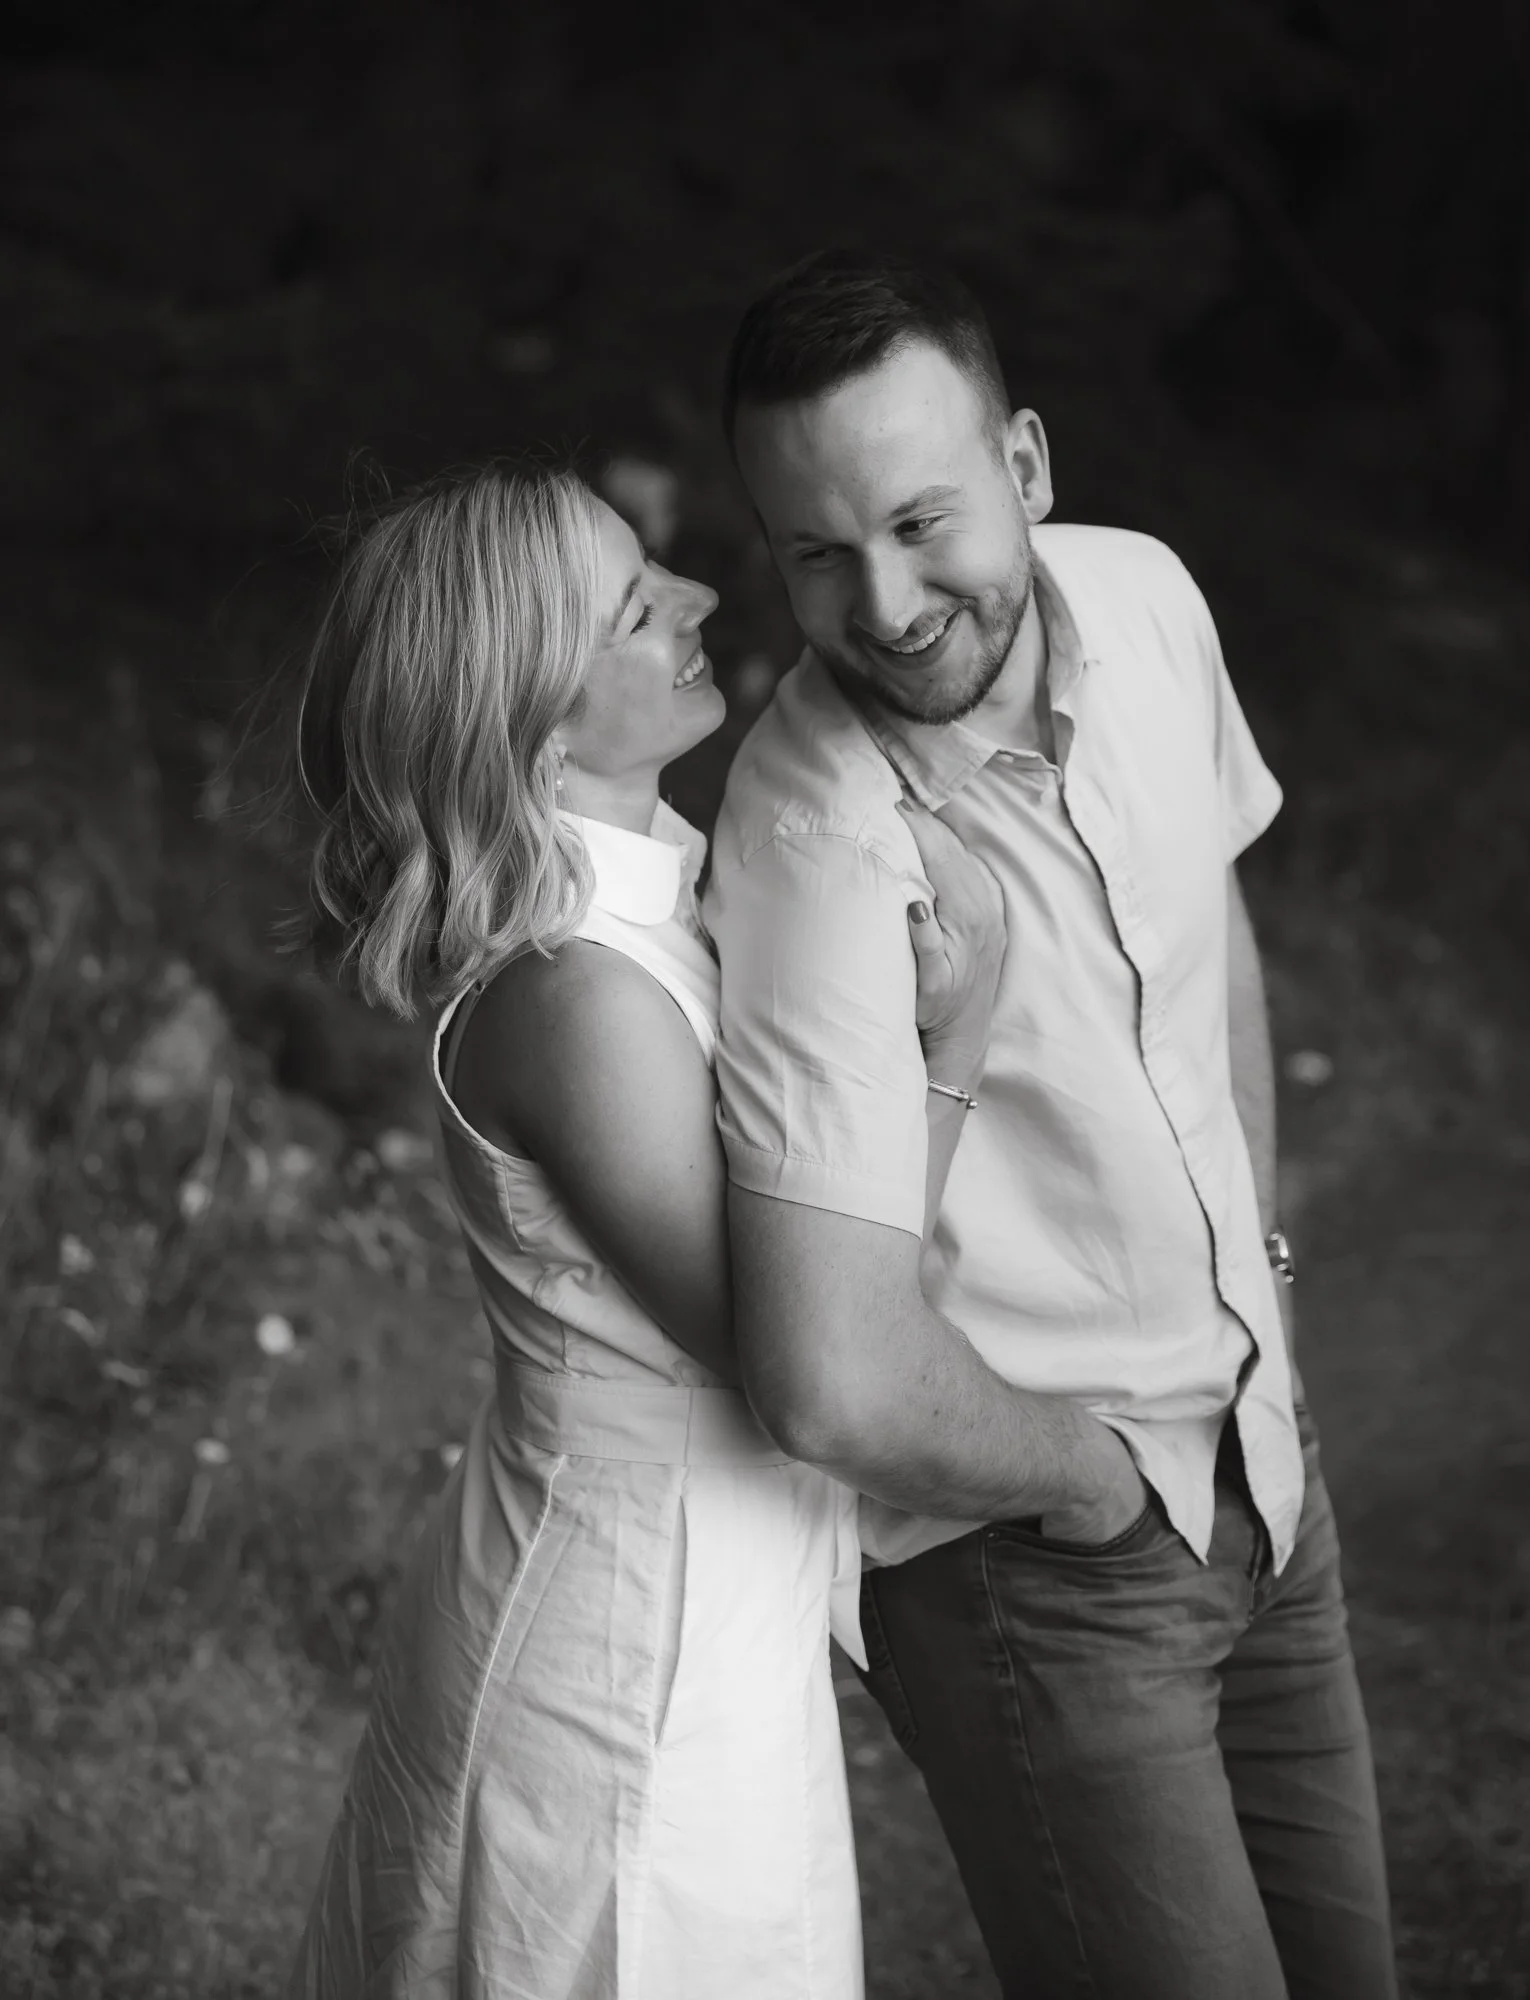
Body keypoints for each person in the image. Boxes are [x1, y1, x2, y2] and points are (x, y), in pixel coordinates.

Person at [706, 249, 1399, 2000]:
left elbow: (1207, 929)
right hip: (1049, 1572)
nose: (883, 602)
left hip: (1267, 1463)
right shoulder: (812, 844)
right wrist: (1100, 1482)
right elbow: (825, 1381)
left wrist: (1264, 1290)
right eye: (817, 553)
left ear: (1024, 466)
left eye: (918, 521)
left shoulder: (1146, 600)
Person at [281, 460, 1003, 2000]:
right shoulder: (579, 993)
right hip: (621, 1653)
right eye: (631, 608)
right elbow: (805, 1343)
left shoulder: (660, 910)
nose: (699, 598)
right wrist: (951, 1046)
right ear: (535, 720)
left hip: (699, 1607)